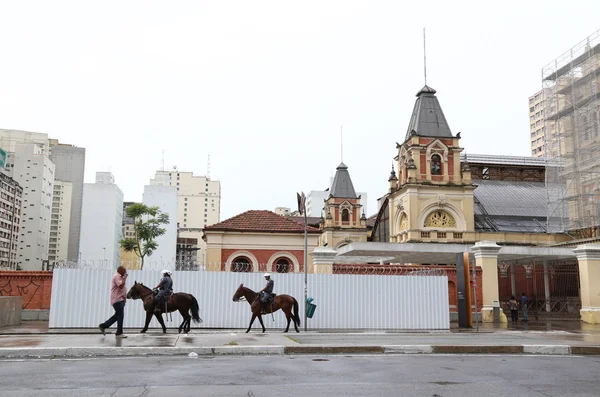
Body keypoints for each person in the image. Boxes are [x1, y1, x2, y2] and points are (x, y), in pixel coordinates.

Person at [99, 266, 128, 338]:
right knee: (120, 316)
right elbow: (121, 286)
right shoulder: (116, 277)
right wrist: (125, 278)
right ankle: (119, 332)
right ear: (120, 271)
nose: (125, 272)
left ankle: (103, 325)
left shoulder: (120, 277)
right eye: (124, 271)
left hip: (120, 299)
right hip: (117, 299)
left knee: (117, 316)